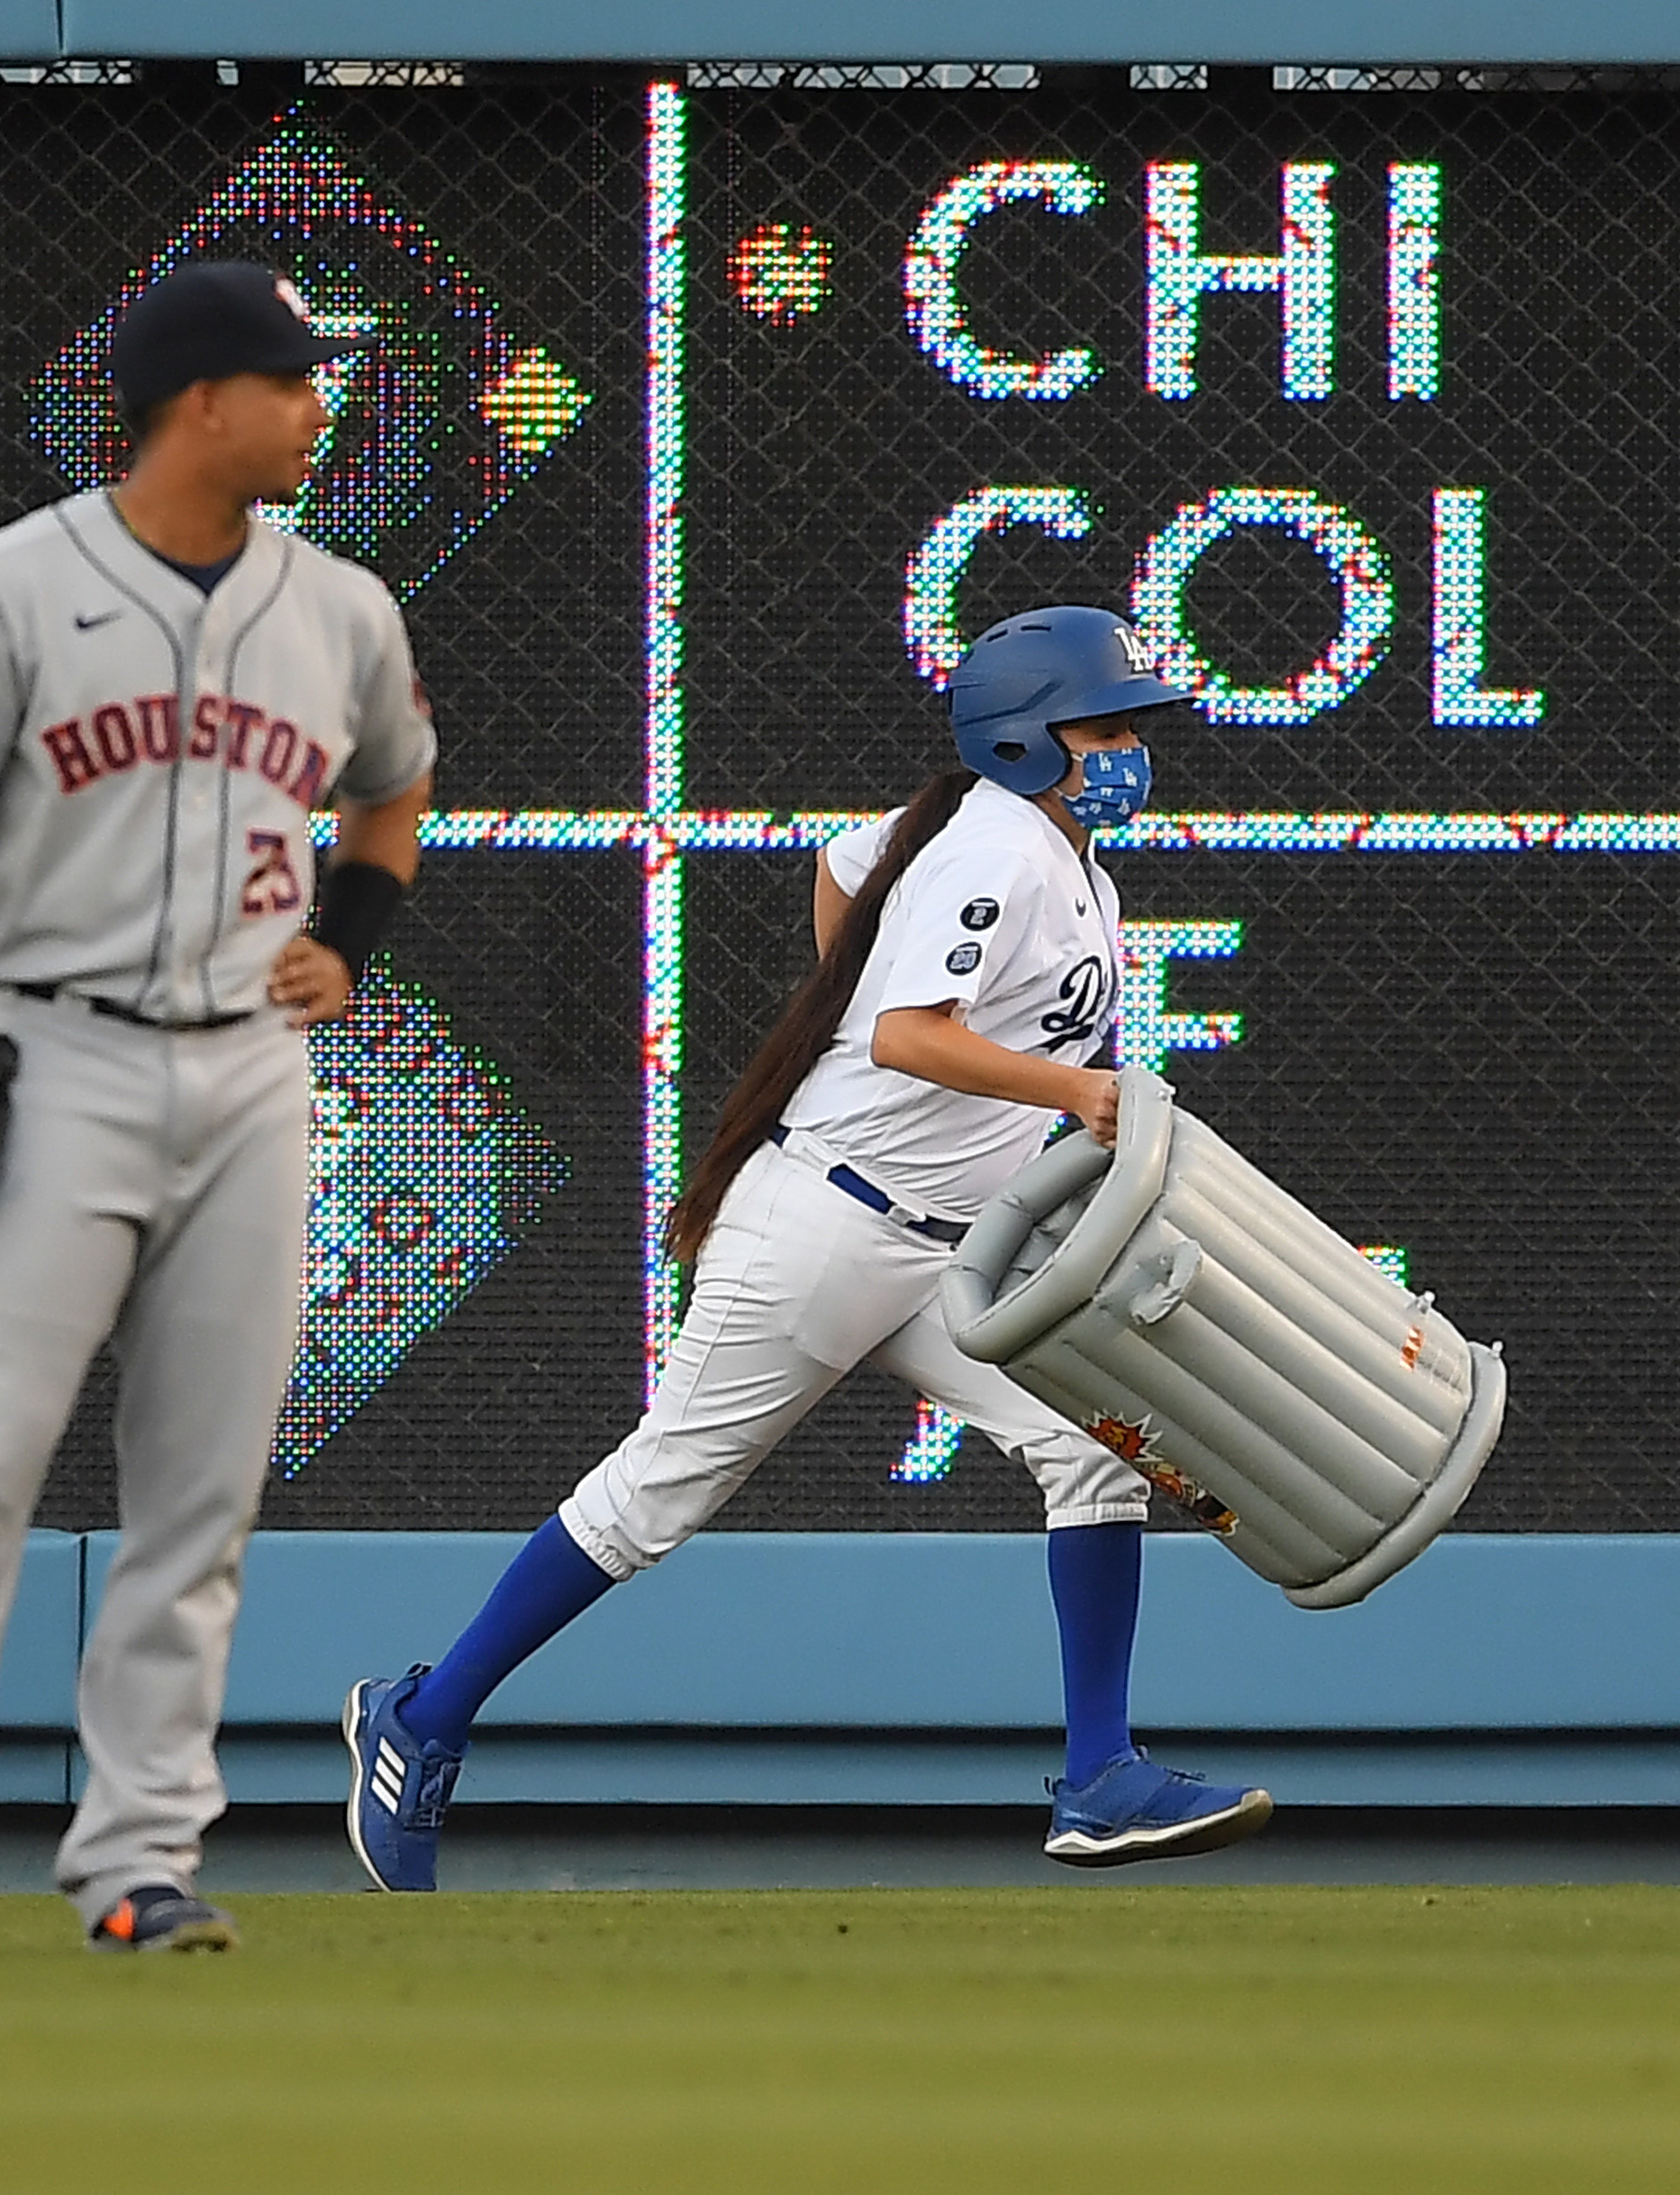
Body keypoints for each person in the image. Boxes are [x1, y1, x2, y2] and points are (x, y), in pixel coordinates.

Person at [343, 606, 1271, 1891]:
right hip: (826, 1227)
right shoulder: (999, 847)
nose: (1129, 749)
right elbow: (902, 1035)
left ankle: (1101, 1777)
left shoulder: (1030, 851)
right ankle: (424, 1715)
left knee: (1084, 1442)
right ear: (1023, 742)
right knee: (657, 1495)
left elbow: (844, 869)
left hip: (943, 1254)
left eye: (1130, 727)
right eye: (1104, 727)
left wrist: (882, 995)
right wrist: (1061, 1092)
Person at [0, 260, 437, 1953]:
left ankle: (140, 1859)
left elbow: (395, 795)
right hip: (57, 1053)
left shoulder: (343, 606)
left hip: (250, 1074)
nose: (319, 407)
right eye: (294, 383)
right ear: (198, 402)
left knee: (200, 1495)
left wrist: (346, 950)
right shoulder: (5, 588)